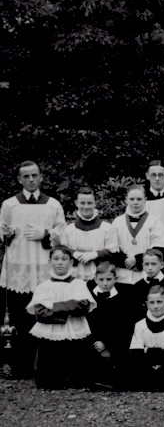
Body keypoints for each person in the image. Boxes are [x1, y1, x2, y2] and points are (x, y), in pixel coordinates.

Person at [0, 161, 65, 378]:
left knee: (42, 313)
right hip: (18, 266)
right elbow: (2, 231)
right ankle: (20, 367)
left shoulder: (53, 205)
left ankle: (43, 365)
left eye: (34, 175)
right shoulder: (10, 205)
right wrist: (6, 233)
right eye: (26, 176)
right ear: (19, 179)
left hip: (42, 266)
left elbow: (62, 232)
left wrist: (46, 234)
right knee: (19, 316)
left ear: (40, 177)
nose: (30, 180)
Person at [26, 245, 96, 389]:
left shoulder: (79, 284)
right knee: (48, 379)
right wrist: (67, 311)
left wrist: (53, 306)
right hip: (50, 333)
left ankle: (74, 379)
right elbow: (40, 313)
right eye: (56, 259)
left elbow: (82, 306)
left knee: (77, 370)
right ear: (49, 262)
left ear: (71, 262)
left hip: (74, 331)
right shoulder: (44, 286)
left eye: (64, 259)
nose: (60, 262)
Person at [60, 187, 119, 281]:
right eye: (82, 203)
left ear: (95, 203)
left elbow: (114, 254)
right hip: (74, 278)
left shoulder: (107, 228)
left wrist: (96, 254)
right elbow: (62, 251)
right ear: (76, 203)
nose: (86, 206)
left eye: (89, 203)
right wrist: (73, 253)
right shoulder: (69, 229)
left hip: (100, 279)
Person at [113, 185, 164, 284]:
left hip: (147, 275)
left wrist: (137, 259)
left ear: (145, 200)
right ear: (126, 200)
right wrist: (127, 262)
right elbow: (112, 249)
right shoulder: (117, 222)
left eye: (139, 199)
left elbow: (159, 250)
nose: (135, 202)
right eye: (132, 199)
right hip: (122, 275)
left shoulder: (155, 222)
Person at [86, 262, 134, 379]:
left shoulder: (121, 298)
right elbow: (89, 323)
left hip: (114, 341)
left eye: (109, 279)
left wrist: (107, 344)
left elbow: (122, 325)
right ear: (95, 279)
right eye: (101, 279)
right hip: (94, 340)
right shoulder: (90, 297)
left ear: (115, 279)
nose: (105, 283)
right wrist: (97, 342)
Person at [130, 249, 164, 320]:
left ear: (161, 265)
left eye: (153, 264)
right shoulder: (137, 286)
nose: (150, 268)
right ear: (143, 265)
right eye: (146, 264)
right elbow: (135, 312)